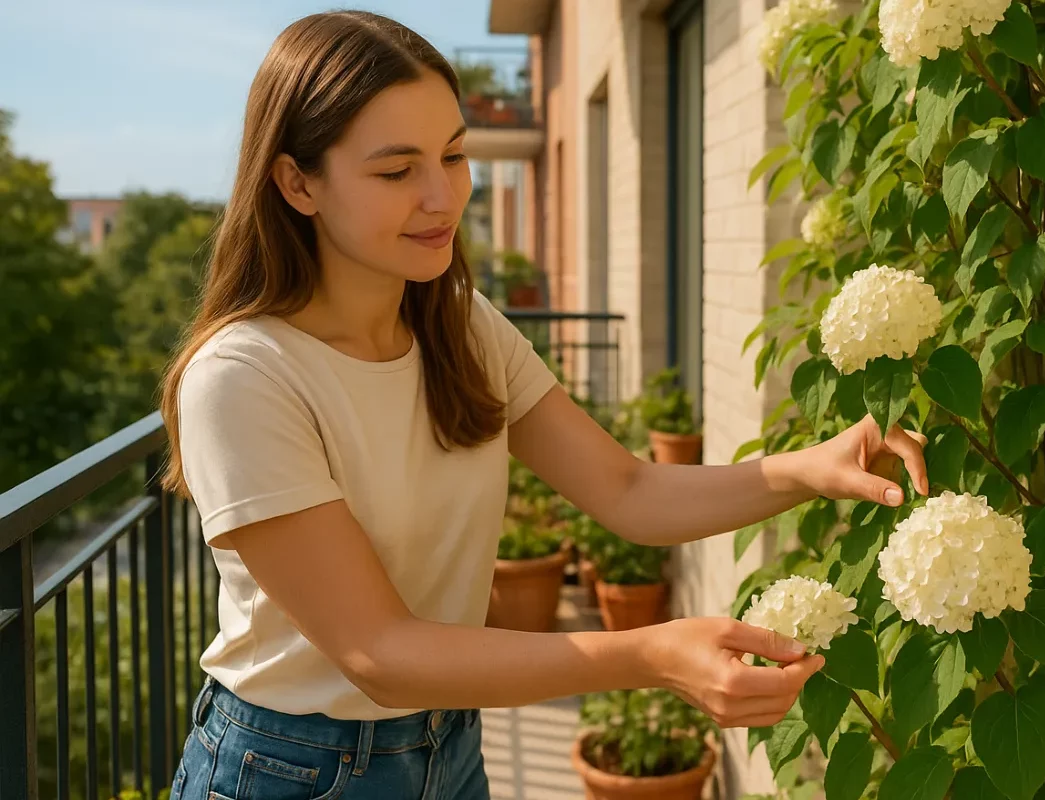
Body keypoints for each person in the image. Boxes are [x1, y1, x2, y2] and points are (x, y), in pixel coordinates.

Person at [159, 10, 929, 800]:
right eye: (396, 172)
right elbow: (379, 654)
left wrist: (812, 467)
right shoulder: (243, 377)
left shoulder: (460, 326)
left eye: (453, 156)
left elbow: (629, 490)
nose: (442, 197)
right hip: (288, 767)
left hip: (448, 743)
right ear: (297, 183)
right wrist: (651, 655)